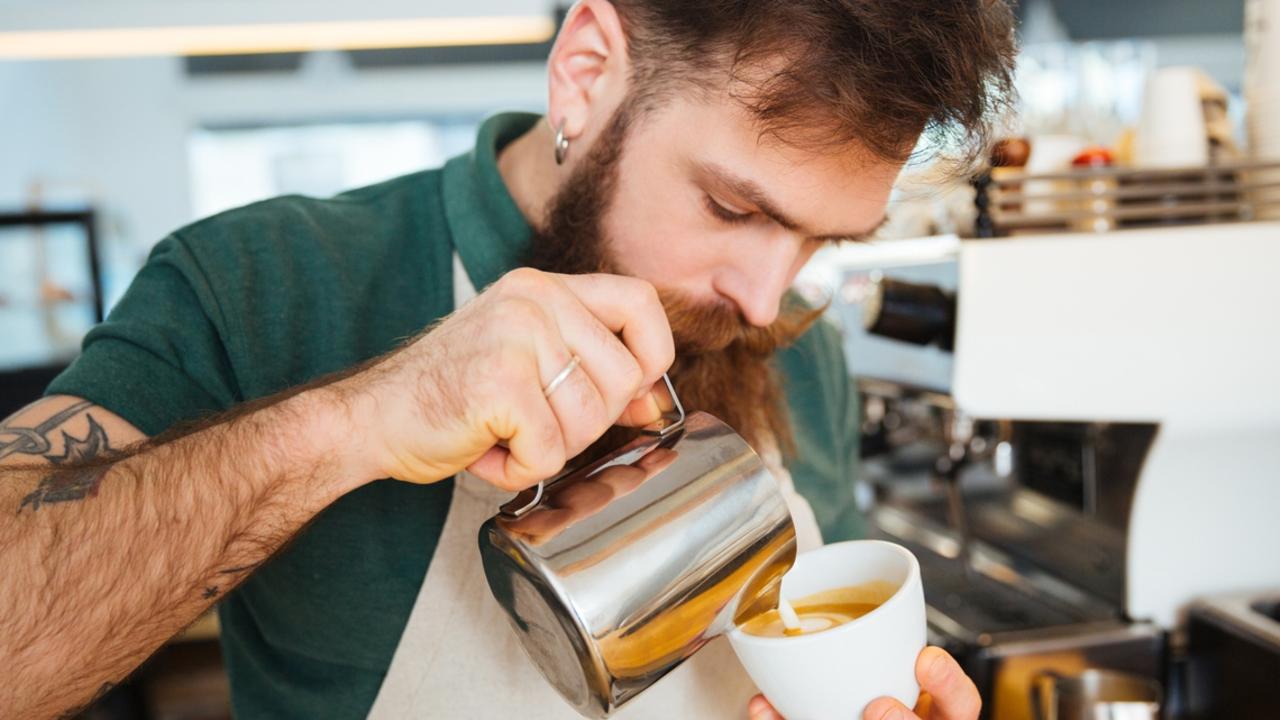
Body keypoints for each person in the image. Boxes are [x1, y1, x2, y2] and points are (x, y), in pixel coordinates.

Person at [0, 1, 1014, 717]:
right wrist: (359, 419)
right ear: (586, 73)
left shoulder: (799, 350)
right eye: (732, 207)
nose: (763, 297)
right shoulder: (265, 282)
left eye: (819, 241)